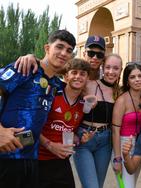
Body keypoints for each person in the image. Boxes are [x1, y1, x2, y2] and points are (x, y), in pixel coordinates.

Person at [0, 29, 76, 188]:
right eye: (59, 47)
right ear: (47, 48)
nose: (63, 53)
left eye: (69, 50)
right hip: (6, 157)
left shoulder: (55, 84)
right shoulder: (25, 68)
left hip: (31, 158)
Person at [38, 58, 91, 188]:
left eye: (82, 74)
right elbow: (31, 126)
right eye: (74, 72)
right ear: (66, 76)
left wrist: (80, 137)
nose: (78, 77)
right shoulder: (51, 94)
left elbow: (72, 130)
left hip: (61, 161)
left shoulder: (84, 105)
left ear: (87, 79)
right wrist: (49, 145)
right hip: (38, 160)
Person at [73, 53, 123, 188]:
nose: (111, 72)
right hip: (85, 138)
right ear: (102, 68)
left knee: (98, 185)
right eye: (108, 67)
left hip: (105, 142)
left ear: (120, 71)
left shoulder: (119, 93)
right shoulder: (89, 84)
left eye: (116, 68)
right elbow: (67, 78)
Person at [112, 62, 141, 188]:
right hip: (123, 144)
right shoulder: (122, 100)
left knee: (132, 183)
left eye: (140, 76)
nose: (137, 80)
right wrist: (117, 159)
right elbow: (115, 131)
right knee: (126, 186)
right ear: (127, 81)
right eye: (132, 77)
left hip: (139, 145)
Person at [14, 35, 105, 80]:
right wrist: (31, 57)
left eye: (99, 55)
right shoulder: (74, 67)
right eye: (91, 53)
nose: (95, 57)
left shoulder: (107, 74)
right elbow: (50, 66)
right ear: (84, 53)